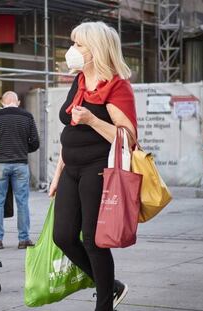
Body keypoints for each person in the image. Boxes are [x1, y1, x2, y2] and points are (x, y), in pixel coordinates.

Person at [49, 21, 137, 311]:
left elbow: (128, 138)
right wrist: (58, 172)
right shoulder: (79, 83)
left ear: (95, 49)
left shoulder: (116, 85)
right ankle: (110, 286)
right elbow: (69, 132)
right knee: (62, 236)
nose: (72, 50)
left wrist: (93, 120)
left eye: (79, 44)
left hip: (98, 169)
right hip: (71, 169)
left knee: (93, 241)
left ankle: (104, 304)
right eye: (73, 43)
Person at [0, 91, 40, 250]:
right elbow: (35, 143)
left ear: (2, 103)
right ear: (18, 102)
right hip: (20, 164)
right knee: (22, 202)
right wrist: (22, 149)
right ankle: (23, 239)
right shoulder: (27, 117)